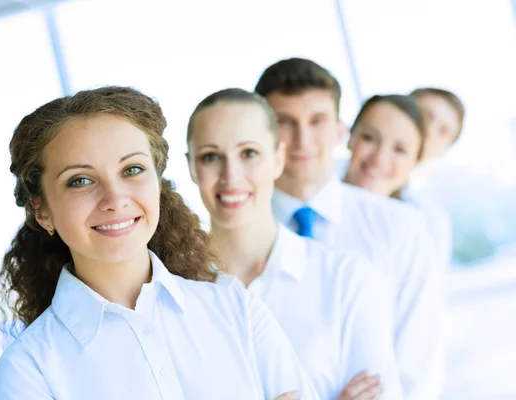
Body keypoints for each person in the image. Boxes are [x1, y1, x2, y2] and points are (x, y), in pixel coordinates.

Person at [0, 86, 319, 400]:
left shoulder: (235, 308)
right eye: (80, 180)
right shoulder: (28, 370)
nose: (115, 198)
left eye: (132, 169)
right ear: (42, 209)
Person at [186, 88, 402, 400]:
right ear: (192, 166)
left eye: (249, 153)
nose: (231, 176)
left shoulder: (346, 277)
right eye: (210, 157)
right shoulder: (173, 291)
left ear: (278, 158)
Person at [255, 58, 446, 399]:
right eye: (284, 122)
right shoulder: (239, 235)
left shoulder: (400, 228)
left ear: (340, 130)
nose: (302, 139)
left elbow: (419, 367)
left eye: (317, 121)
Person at [343, 95, 452, 266]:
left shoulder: (419, 230)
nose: (379, 159)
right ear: (349, 137)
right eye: (369, 138)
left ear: (417, 160)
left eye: (399, 150)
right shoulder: (305, 208)